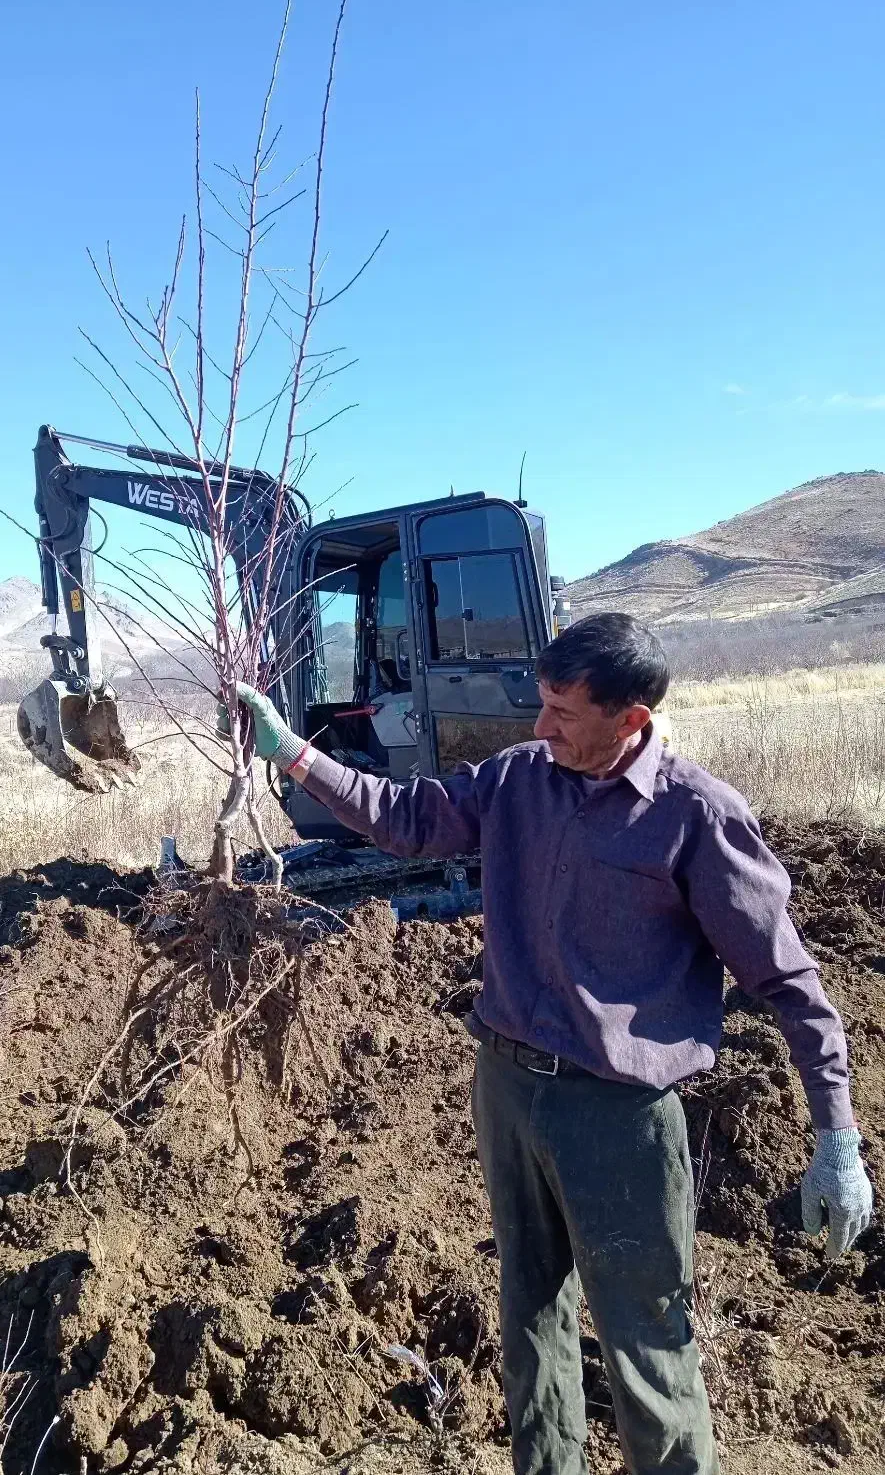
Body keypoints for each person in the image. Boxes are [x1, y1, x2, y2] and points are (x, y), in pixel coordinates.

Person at [234, 612, 873, 1475]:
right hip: (507, 1087)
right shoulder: (517, 780)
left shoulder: (696, 817)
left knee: (646, 1339)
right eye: (539, 705)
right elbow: (408, 818)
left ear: (630, 720)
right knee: (529, 1310)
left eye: (562, 714)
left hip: (619, 1118)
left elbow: (789, 984)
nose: (540, 729)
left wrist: (835, 1135)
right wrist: (295, 754)